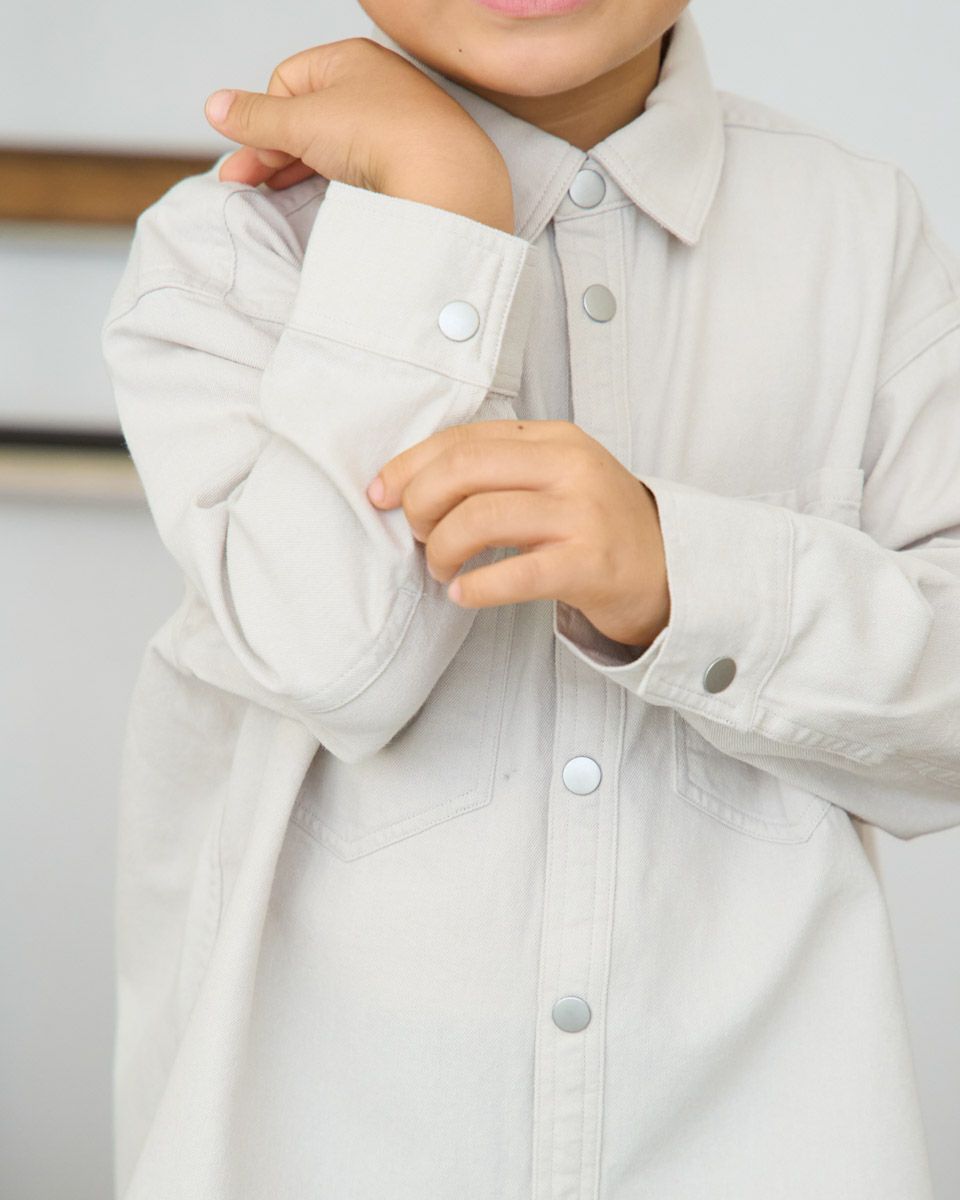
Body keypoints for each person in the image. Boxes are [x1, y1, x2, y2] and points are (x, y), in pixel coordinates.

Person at [100, 1, 960, 1196]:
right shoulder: (234, 251)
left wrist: (683, 577)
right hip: (326, 1148)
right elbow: (330, 660)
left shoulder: (862, 231)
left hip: (762, 1144)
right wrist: (439, 206)